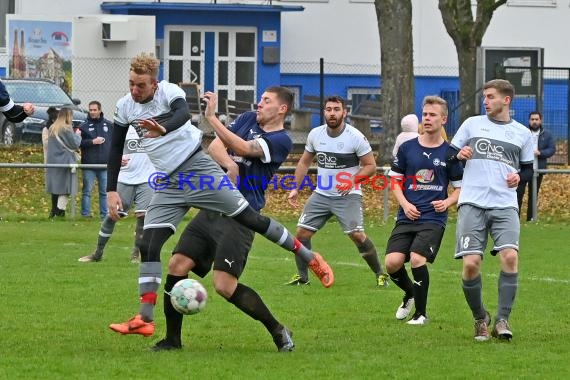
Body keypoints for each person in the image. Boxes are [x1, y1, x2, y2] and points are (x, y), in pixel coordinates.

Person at [105, 53, 333, 338]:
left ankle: (309, 257)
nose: (134, 90)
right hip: (172, 181)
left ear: (154, 83)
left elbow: (182, 116)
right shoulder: (125, 106)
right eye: (131, 84)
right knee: (151, 245)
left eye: (140, 85)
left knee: (242, 241)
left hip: (199, 171)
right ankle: (147, 320)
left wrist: (168, 126)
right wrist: (111, 190)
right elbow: (214, 145)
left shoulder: (280, 139)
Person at [152, 87, 297, 352]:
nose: (260, 104)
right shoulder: (247, 119)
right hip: (213, 204)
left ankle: (277, 330)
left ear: (282, 109)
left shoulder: (281, 140)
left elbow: (242, 146)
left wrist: (212, 117)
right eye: (261, 99)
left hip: (242, 216)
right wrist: (230, 165)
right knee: (177, 264)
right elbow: (216, 145)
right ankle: (172, 340)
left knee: (224, 286)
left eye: (267, 101)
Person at [449, 79, 534, 341]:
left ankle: (502, 320)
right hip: (472, 203)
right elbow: (448, 162)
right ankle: (480, 319)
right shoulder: (471, 125)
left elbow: (528, 169)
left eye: (490, 96)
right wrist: (458, 157)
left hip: (505, 204)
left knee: (509, 257)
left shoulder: (522, 133)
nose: (485, 101)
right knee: (472, 264)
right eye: (484, 96)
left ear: (506, 100)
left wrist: (519, 177)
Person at [285, 95, 388, 287]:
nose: (332, 113)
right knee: (301, 235)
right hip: (322, 194)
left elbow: (370, 166)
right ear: (324, 112)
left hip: (348, 196)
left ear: (345, 113)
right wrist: (294, 188)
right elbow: (304, 162)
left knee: (357, 235)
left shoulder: (355, 137)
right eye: (329, 109)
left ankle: (380, 274)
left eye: (336, 109)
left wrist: (352, 180)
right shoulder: (315, 134)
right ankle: (303, 277)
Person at [385, 96, 463, 325]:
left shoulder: (450, 153)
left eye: (433, 115)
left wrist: (447, 202)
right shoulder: (407, 148)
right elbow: (395, 182)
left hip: (433, 218)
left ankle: (421, 314)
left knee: (418, 259)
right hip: (407, 215)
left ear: (444, 119)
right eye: (425, 114)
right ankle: (410, 293)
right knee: (392, 263)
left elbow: (460, 188)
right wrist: (405, 204)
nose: (427, 119)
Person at [78, 126, 155, 263]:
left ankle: (136, 255)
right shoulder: (123, 127)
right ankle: (98, 253)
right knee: (113, 215)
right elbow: (112, 150)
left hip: (147, 178)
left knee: (143, 217)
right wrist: (115, 160)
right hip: (125, 178)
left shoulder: (154, 125)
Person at [516, 111, 556, 221]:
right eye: (532, 119)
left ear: (540, 120)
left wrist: (540, 153)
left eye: (536, 119)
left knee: (533, 194)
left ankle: (531, 218)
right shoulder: (523, 132)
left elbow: (552, 149)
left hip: (538, 169)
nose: (534, 121)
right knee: (519, 193)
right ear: (529, 120)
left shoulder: (546, 134)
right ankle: (515, 218)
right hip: (523, 169)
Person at [45, 108, 82, 218]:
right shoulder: (66, 128)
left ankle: (53, 212)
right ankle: (60, 212)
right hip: (65, 162)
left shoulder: (52, 128)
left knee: (55, 188)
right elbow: (75, 144)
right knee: (66, 188)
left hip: (53, 162)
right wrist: (78, 135)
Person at [79, 101, 112, 219]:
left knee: (104, 192)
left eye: (94, 110)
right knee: (87, 191)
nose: (92, 112)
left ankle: (104, 215)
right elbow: (78, 143)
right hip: (89, 164)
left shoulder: (108, 125)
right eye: (91, 110)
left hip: (104, 165)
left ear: (99, 110)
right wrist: (92, 142)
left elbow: (114, 144)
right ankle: (85, 215)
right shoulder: (83, 126)